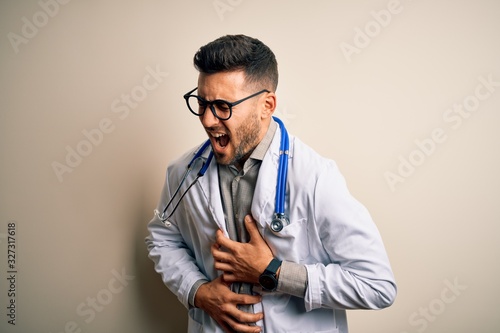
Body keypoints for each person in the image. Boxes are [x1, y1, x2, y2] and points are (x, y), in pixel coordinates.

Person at [145, 34, 396, 333]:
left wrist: (273, 272)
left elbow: (377, 285)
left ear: (266, 105)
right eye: (202, 103)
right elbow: (161, 237)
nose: (208, 120)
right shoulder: (184, 172)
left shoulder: (315, 178)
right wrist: (197, 291)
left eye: (223, 106)